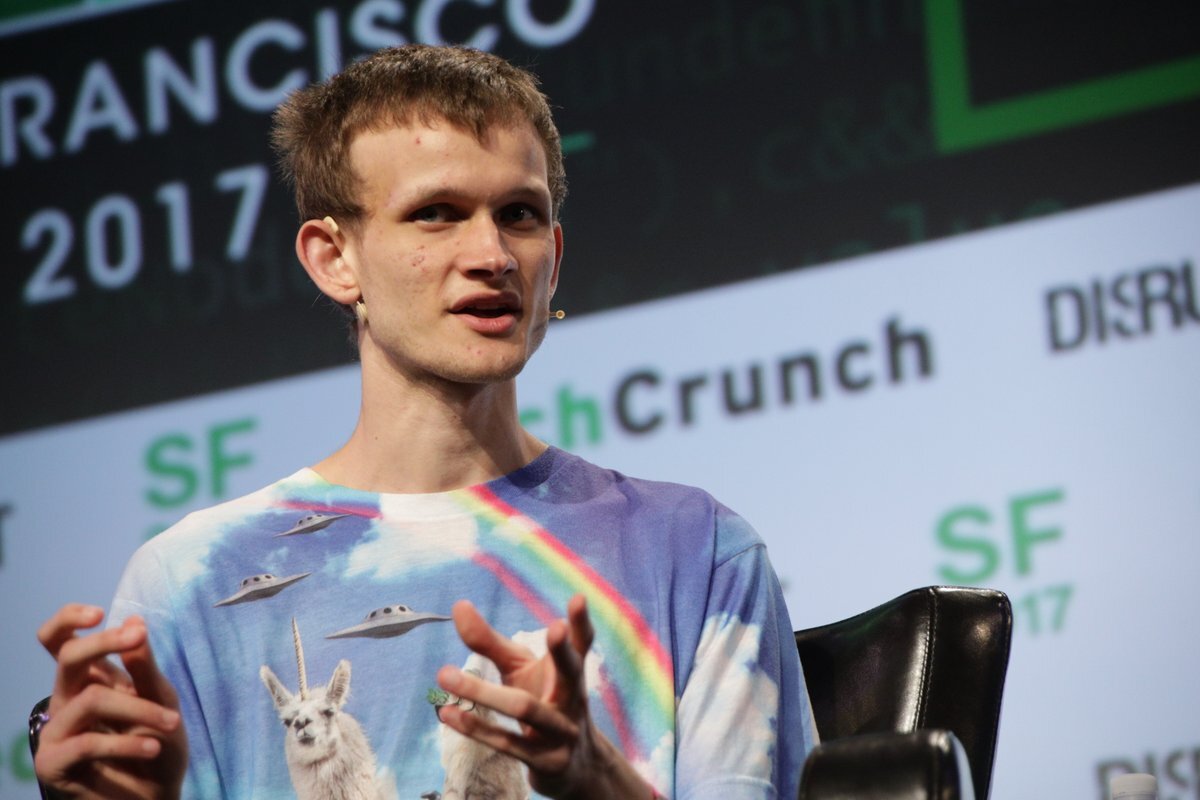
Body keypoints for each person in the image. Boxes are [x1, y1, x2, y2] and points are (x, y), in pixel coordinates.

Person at [33, 44, 814, 799]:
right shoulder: (187, 585)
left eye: (519, 214)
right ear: (334, 258)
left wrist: (592, 779)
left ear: (555, 255)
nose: (492, 254)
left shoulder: (696, 551)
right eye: (436, 214)